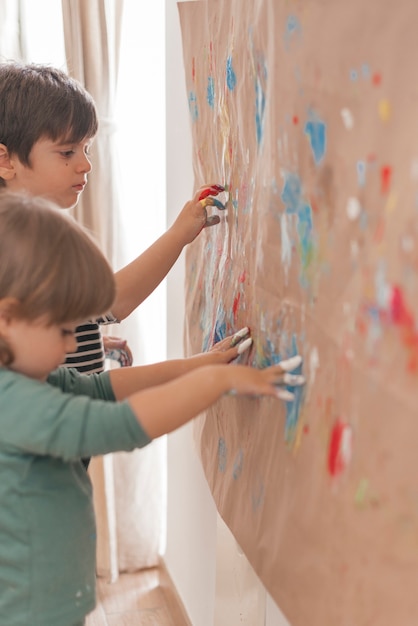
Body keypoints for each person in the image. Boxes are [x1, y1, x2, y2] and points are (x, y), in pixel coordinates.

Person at [0, 191, 305, 626]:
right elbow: (119, 424)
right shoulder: (13, 403)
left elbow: (102, 389)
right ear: (8, 318)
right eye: (64, 330)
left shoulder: (28, 378)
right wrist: (216, 380)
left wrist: (196, 365)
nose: (73, 345)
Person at [0, 60, 225, 375]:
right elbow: (112, 302)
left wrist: (86, 338)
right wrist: (177, 236)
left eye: (87, 149)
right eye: (67, 152)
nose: (85, 165)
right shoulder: (26, 240)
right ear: (5, 160)